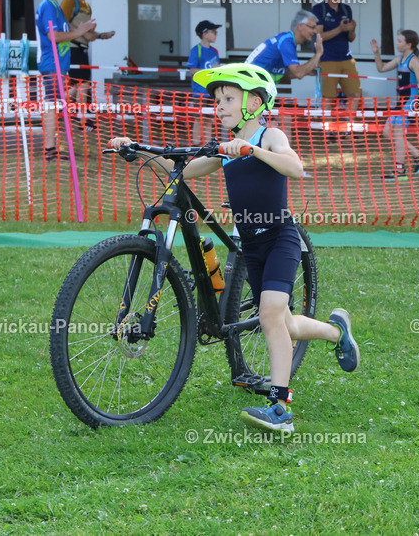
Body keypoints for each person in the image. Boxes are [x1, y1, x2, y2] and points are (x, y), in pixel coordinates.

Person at [108, 63, 358, 433]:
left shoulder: (269, 135)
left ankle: (280, 409)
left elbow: (294, 166)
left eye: (228, 98)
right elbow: (183, 169)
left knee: (272, 316)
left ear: (254, 102)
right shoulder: (224, 149)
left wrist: (252, 151)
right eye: (216, 101)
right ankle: (337, 332)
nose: (219, 106)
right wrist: (136, 150)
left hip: (279, 238)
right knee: (283, 322)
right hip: (251, 247)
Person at [36, 0, 96, 161]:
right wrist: (79, 32)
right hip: (52, 63)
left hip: (58, 63)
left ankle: (52, 148)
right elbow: (53, 36)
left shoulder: (55, 7)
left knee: (55, 104)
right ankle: (50, 149)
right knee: (52, 105)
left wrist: (83, 31)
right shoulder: (48, 6)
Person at [245, 10, 324, 137]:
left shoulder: (287, 41)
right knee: (272, 128)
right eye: (312, 27)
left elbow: (286, 74)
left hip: (257, 90)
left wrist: (307, 72)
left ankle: (281, 153)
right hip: (253, 90)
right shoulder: (286, 42)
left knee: (285, 119)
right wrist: (318, 54)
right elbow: (298, 73)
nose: (315, 31)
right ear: (300, 26)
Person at [371, 30, 419, 181]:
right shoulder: (399, 59)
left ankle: (400, 171)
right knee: (387, 132)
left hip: (410, 102)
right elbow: (381, 68)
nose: (397, 44)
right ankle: (418, 154)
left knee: (397, 134)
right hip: (400, 103)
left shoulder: (414, 61)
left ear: (409, 44)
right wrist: (376, 53)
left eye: (400, 41)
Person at [60, 0, 115, 129]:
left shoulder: (86, 6)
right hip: (72, 48)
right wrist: (81, 32)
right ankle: (81, 118)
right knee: (82, 84)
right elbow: (62, 21)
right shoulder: (70, 0)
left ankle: (61, 109)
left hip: (82, 48)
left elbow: (86, 32)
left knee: (79, 85)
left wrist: (100, 35)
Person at [312, 0, 359, 102]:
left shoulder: (346, 9)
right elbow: (319, 37)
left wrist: (352, 29)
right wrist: (340, 28)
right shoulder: (318, 9)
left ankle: (350, 121)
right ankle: (327, 122)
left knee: (355, 94)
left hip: (347, 58)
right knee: (328, 98)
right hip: (327, 58)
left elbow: (351, 38)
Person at [187, 19, 221, 143]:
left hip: (211, 91)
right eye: (214, 32)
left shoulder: (214, 51)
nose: (216, 34)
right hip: (199, 92)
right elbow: (192, 70)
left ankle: (207, 144)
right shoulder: (196, 50)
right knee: (198, 118)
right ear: (205, 34)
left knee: (209, 118)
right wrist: (208, 71)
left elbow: (217, 68)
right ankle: (196, 144)